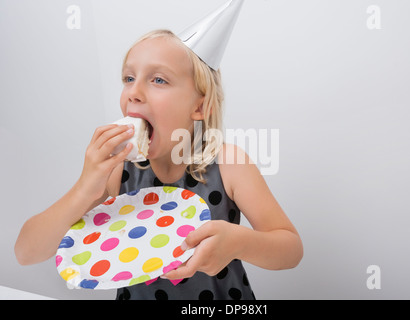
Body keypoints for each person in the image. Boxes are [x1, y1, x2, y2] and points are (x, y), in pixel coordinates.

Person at [15, 1, 303, 300]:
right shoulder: (117, 171)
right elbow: (27, 252)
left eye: (158, 80)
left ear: (199, 106)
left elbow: (290, 250)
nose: (133, 93)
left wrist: (240, 242)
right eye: (128, 78)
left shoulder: (229, 164)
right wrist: (84, 188)